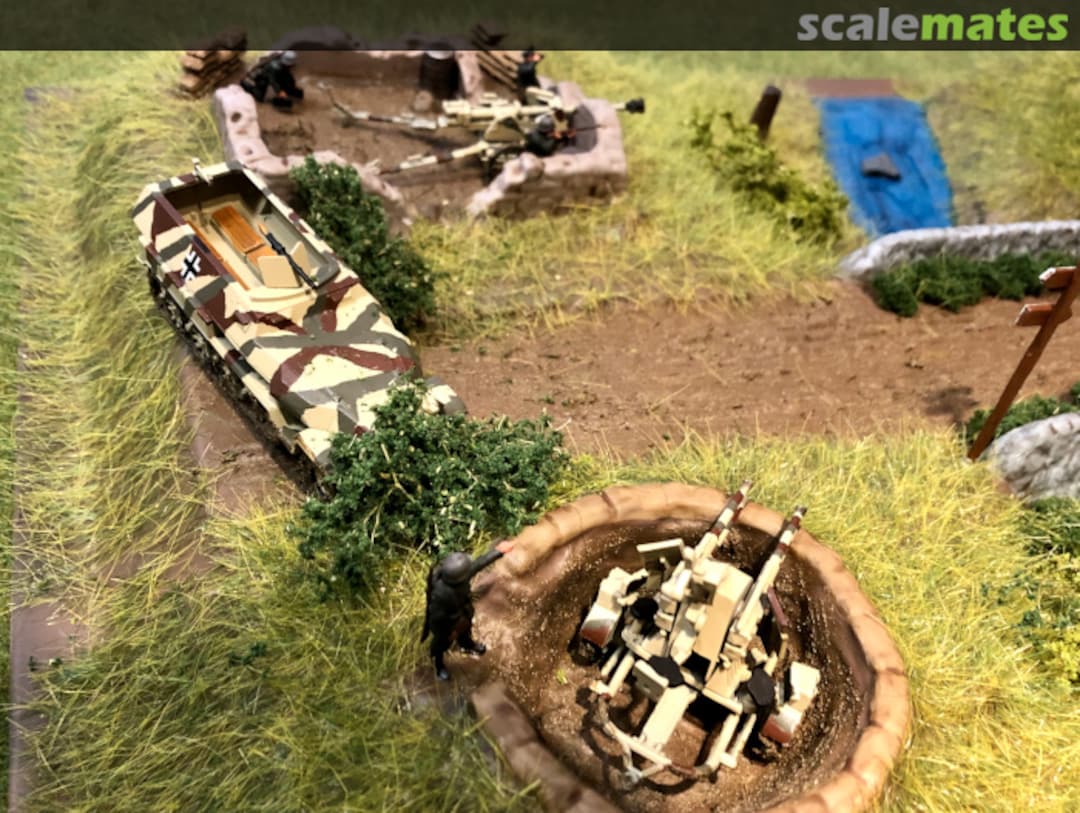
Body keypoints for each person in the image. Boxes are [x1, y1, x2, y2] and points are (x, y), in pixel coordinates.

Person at [422, 540, 515, 681]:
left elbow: (479, 564)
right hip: (446, 624)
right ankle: (439, 666)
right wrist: (451, 631)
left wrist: (498, 551)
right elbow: (437, 618)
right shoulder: (441, 594)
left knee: (465, 631)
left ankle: (467, 644)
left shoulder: (459, 577)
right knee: (441, 645)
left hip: (462, 613)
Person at [240, 50, 305, 110]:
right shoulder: (273, 66)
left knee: (284, 77)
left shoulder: (283, 62)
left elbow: (288, 75)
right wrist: (279, 92)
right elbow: (273, 81)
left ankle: (288, 90)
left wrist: (292, 85)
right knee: (260, 97)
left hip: (275, 73)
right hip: (262, 76)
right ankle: (246, 85)